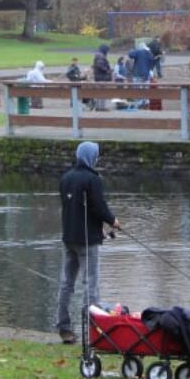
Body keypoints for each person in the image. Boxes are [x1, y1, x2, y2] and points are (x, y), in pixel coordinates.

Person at [55, 141, 121, 343]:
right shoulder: (93, 179)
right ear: (91, 157)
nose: (97, 159)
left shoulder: (66, 178)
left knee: (66, 283)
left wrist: (98, 226)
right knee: (91, 284)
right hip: (87, 241)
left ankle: (64, 327)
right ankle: (93, 330)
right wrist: (113, 221)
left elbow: (76, 208)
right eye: (96, 155)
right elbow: (99, 207)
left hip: (69, 238)